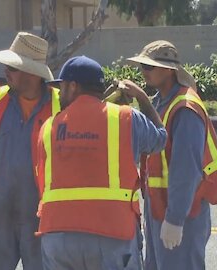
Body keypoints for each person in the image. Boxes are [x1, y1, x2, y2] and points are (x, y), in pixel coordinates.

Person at [35, 55, 168, 270]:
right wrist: (143, 98)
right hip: (112, 234)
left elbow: (42, 181)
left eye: (61, 89)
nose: (58, 95)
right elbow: (160, 138)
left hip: (58, 235)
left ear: (73, 86)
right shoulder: (126, 118)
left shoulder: (49, 128)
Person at [126, 40, 217, 269]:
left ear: (168, 70)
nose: (143, 72)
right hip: (159, 210)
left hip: (182, 213)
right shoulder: (161, 103)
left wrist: (175, 219)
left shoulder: (185, 108)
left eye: (149, 67)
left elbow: (186, 170)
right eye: (142, 66)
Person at [0, 32, 61, 270]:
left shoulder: (60, 105)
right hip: (1, 212)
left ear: (32, 73)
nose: (5, 71)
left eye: (12, 67)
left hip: (42, 214)